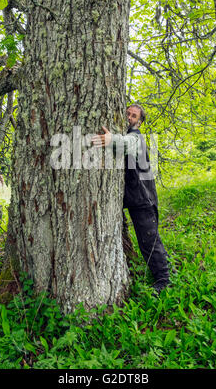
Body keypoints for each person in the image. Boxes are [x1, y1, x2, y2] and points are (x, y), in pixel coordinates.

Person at [91, 104, 170, 295]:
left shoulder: (136, 137)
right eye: (127, 113)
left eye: (134, 116)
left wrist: (110, 140)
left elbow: (128, 144)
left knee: (149, 240)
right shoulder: (125, 134)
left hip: (143, 199)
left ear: (139, 122)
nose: (129, 117)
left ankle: (164, 279)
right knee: (145, 239)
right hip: (132, 198)